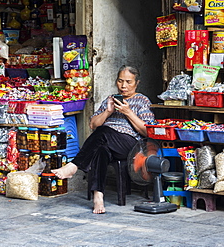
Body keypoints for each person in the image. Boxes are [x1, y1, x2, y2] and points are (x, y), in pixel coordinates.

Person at [51, 65, 155, 214]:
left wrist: (128, 112)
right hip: (105, 139)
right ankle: (98, 196)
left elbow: (147, 131)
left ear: (136, 83)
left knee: (104, 132)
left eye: (128, 82)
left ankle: (74, 165)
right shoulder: (110, 99)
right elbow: (93, 124)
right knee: (100, 149)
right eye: (120, 81)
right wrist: (108, 111)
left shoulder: (142, 101)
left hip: (129, 145)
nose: (123, 86)